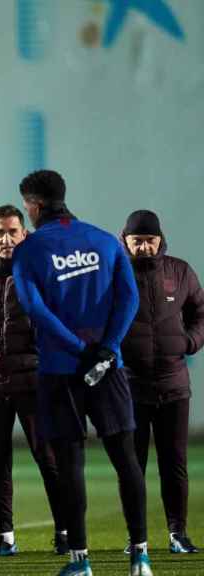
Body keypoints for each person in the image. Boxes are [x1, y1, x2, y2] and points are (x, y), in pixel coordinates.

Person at [11, 170, 149, 576]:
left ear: (33, 206)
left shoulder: (30, 250)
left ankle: (81, 563)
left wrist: (78, 350)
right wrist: (107, 349)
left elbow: (36, 309)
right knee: (127, 461)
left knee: (70, 464)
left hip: (59, 370)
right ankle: (140, 557)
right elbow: (130, 298)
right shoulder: (105, 240)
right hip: (109, 368)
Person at [0, 205, 67, 557]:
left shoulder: (40, 272)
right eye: (0, 233)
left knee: (46, 457)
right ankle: (5, 536)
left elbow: (55, 320)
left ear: (25, 235)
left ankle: (65, 531)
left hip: (34, 382)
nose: (7, 239)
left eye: (13, 232)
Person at [119, 209, 202, 554]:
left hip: (173, 385)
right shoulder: (114, 273)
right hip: (130, 387)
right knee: (132, 467)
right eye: (137, 241)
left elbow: (200, 312)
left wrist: (189, 342)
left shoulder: (179, 271)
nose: (143, 247)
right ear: (125, 241)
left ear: (159, 240)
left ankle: (177, 534)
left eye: (149, 240)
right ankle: (136, 539)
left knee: (174, 464)